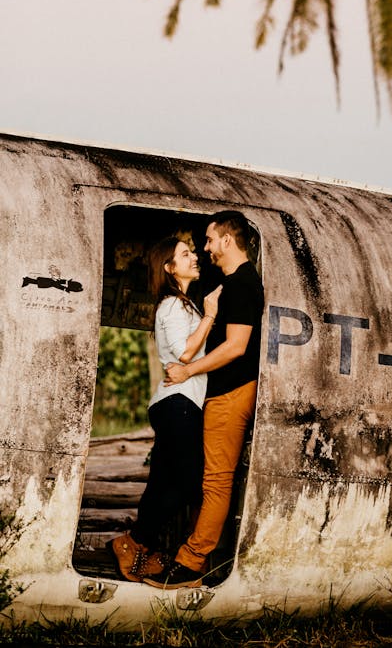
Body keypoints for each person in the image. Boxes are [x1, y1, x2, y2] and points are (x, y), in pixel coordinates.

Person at [145, 210, 264, 589]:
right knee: (201, 480)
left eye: (210, 240)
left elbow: (236, 347)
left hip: (230, 394)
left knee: (213, 482)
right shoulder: (225, 285)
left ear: (228, 240)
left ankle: (192, 562)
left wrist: (188, 371)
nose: (206, 248)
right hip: (219, 394)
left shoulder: (244, 283)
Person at [108, 236, 222, 582]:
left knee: (161, 482)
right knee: (189, 484)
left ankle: (139, 549)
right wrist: (211, 315)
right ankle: (134, 541)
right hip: (178, 404)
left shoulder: (183, 305)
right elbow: (185, 354)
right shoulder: (173, 305)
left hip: (177, 403)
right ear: (169, 268)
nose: (193, 258)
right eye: (185, 255)